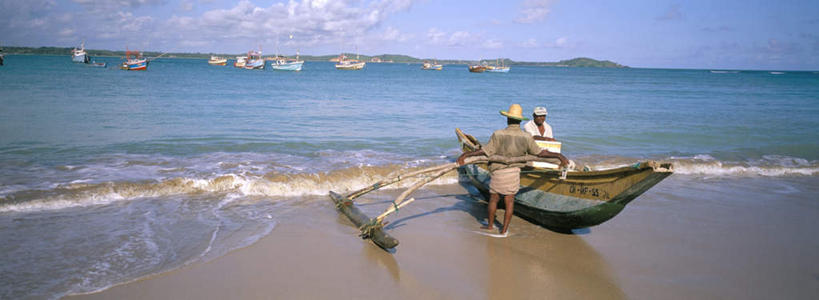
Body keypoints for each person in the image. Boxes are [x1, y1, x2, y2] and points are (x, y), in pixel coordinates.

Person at [457, 104, 568, 235]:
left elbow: (485, 151)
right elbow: (540, 153)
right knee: (509, 202)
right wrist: (559, 156)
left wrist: (466, 155)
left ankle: (490, 226)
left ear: (508, 119)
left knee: (493, 200)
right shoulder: (526, 137)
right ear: (520, 121)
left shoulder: (498, 134)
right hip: (514, 172)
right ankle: (504, 230)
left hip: (498, 171)